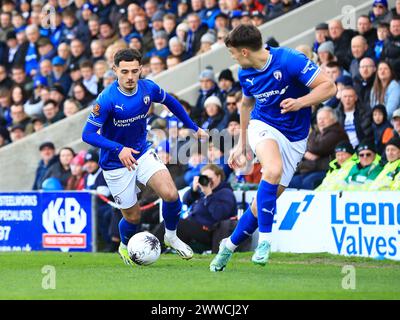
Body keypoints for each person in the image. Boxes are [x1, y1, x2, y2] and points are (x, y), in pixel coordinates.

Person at [210, 24, 336, 271]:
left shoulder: (290, 60)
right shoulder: (244, 73)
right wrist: (242, 143)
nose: (233, 57)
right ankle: (266, 241)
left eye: (233, 53)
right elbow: (246, 105)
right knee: (273, 168)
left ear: (244, 51)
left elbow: (329, 87)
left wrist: (301, 102)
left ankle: (229, 246)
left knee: (260, 205)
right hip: (263, 124)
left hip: (296, 137)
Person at [82, 48, 208, 266]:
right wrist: (118, 149)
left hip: (142, 152)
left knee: (170, 194)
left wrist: (192, 126)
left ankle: (170, 236)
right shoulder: (106, 100)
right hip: (115, 163)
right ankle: (124, 244)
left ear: (141, 69)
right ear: (115, 71)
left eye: (134, 71)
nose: (130, 77)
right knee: (133, 217)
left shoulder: (148, 87)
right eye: (124, 72)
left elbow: (171, 102)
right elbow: (88, 134)